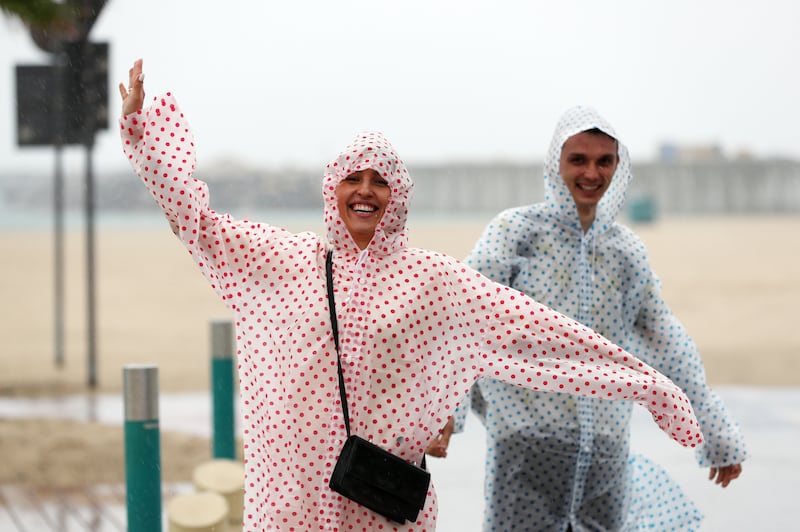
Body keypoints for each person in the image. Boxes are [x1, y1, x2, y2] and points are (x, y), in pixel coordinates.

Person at [118, 60, 704, 531]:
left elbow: (537, 333)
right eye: (353, 178)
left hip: (380, 507)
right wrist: (147, 141)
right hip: (288, 508)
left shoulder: (433, 280)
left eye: (381, 180)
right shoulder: (286, 260)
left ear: (399, 196)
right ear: (332, 188)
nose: (366, 192)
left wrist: (649, 384)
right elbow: (195, 222)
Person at [445, 106, 747, 531]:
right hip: (525, 450)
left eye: (603, 161)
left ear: (618, 166)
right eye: (578, 160)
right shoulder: (516, 233)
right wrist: (446, 413)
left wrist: (716, 435)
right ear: (556, 164)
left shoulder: (625, 252)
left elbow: (667, 342)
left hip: (604, 455)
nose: (591, 173)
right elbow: (460, 318)